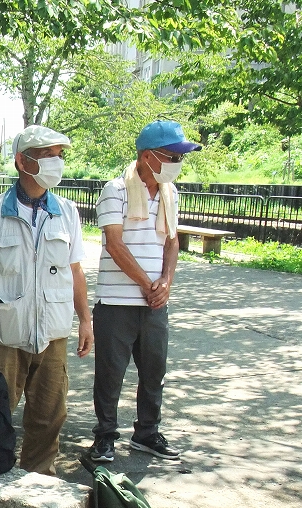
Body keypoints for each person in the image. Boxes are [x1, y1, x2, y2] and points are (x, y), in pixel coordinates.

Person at [0, 125, 93, 476]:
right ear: (22, 161)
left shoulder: (67, 212)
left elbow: (75, 270)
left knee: (49, 416)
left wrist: (85, 320)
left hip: (53, 334)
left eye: (59, 156)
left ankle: (39, 478)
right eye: (47, 155)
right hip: (5, 334)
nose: (56, 162)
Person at [89, 120, 201, 463]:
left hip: (154, 303)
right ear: (148, 156)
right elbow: (115, 244)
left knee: (154, 371)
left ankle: (147, 433)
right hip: (116, 301)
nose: (178, 163)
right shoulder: (116, 190)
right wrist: (147, 283)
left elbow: (172, 241)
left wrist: (166, 281)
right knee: (110, 374)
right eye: (173, 156)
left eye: (180, 157)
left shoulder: (170, 193)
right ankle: (105, 436)